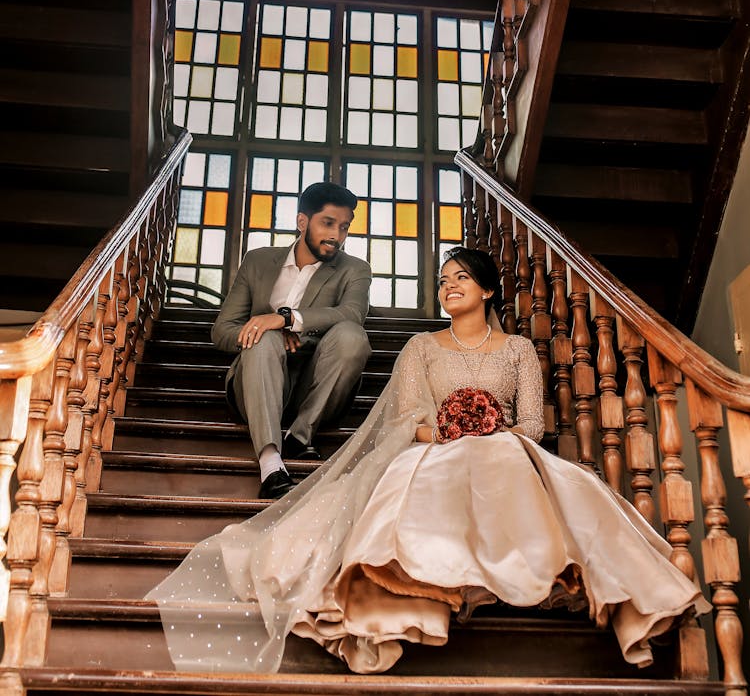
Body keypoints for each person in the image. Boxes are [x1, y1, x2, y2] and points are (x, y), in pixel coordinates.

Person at [151, 246, 710, 674]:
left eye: (460, 278)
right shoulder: (419, 347)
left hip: (503, 447)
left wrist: (490, 426)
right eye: (442, 282)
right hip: (435, 448)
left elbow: (534, 427)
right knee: (434, 474)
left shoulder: (518, 350)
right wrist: (446, 428)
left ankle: (535, 567)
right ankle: (431, 581)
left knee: (513, 461)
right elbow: (405, 419)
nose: (448, 288)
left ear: (488, 289)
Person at [211, 181, 372, 500]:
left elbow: (352, 313)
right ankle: (271, 465)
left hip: (315, 389)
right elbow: (222, 331)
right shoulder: (258, 261)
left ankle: (300, 436)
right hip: (254, 383)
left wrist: (288, 320)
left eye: (344, 227)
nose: (336, 236)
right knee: (263, 337)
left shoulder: (355, 269)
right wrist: (268, 330)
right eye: (328, 223)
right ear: (303, 222)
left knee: (353, 336)